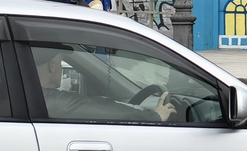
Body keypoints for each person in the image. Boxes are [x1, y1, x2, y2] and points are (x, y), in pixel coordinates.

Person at [35, 50, 176, 122]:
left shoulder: (36, 97)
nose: (60, 67)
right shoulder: (51, 101)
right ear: (52, 65)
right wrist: (154, 116)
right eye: (60, 62)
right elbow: (96, 108)